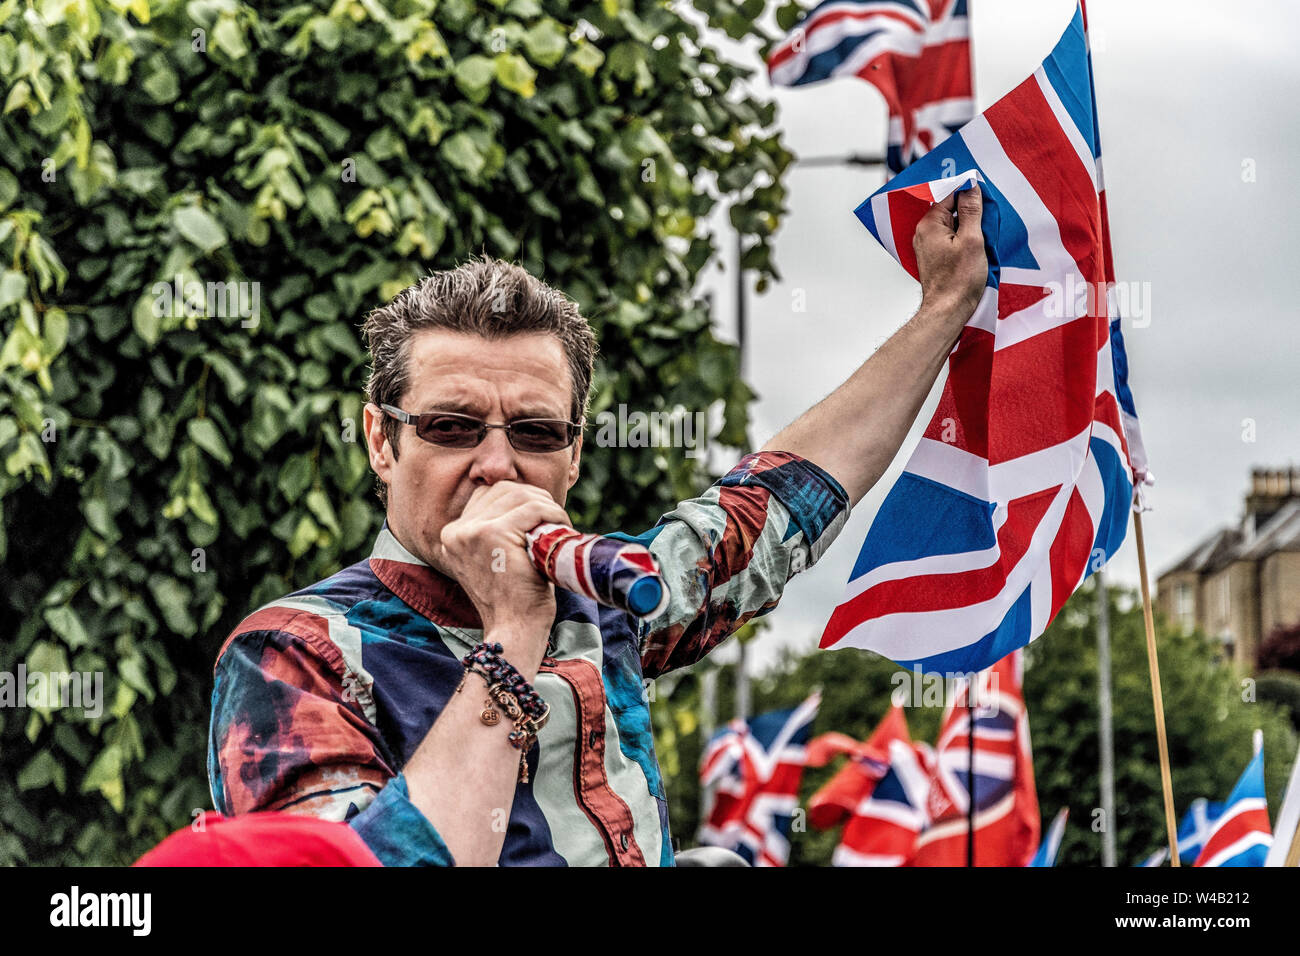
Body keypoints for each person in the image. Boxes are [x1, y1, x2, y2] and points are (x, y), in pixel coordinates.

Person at [207, 186, 988, 866]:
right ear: (382, 441)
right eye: (452, 426)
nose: (497, 465)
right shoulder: (295, 651)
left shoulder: (606, 597)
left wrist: (943, 308)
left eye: (537, 433)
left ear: (573, 457)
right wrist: (513, 631)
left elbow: (781, 501)